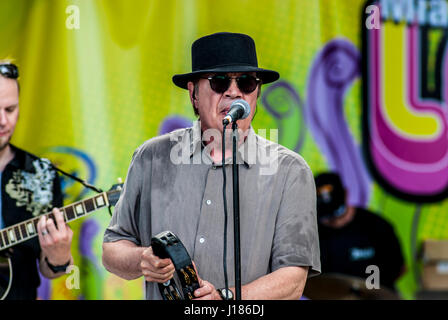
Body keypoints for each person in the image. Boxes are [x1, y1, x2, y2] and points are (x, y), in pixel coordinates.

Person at [102, 32, 321, 300]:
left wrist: (225, 298)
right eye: (219, 82)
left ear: (257, 93)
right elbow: (112, 249)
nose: (234, 91)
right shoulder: (151, 157)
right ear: (193, 93)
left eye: (247, 82)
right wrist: (142, 259)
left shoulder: (289, 170)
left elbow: (293, 281)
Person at [0, 62, 74, 300]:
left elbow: (48, 269)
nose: (3, 121)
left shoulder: (41, 173)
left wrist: (59, 256)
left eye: (10, 109)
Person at [314, 172, 405, 290]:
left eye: (337, 212)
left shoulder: (377, 226)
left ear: (346, 194)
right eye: (327, 216)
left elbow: (400, 268)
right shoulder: (314, 235)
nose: (333, 220)